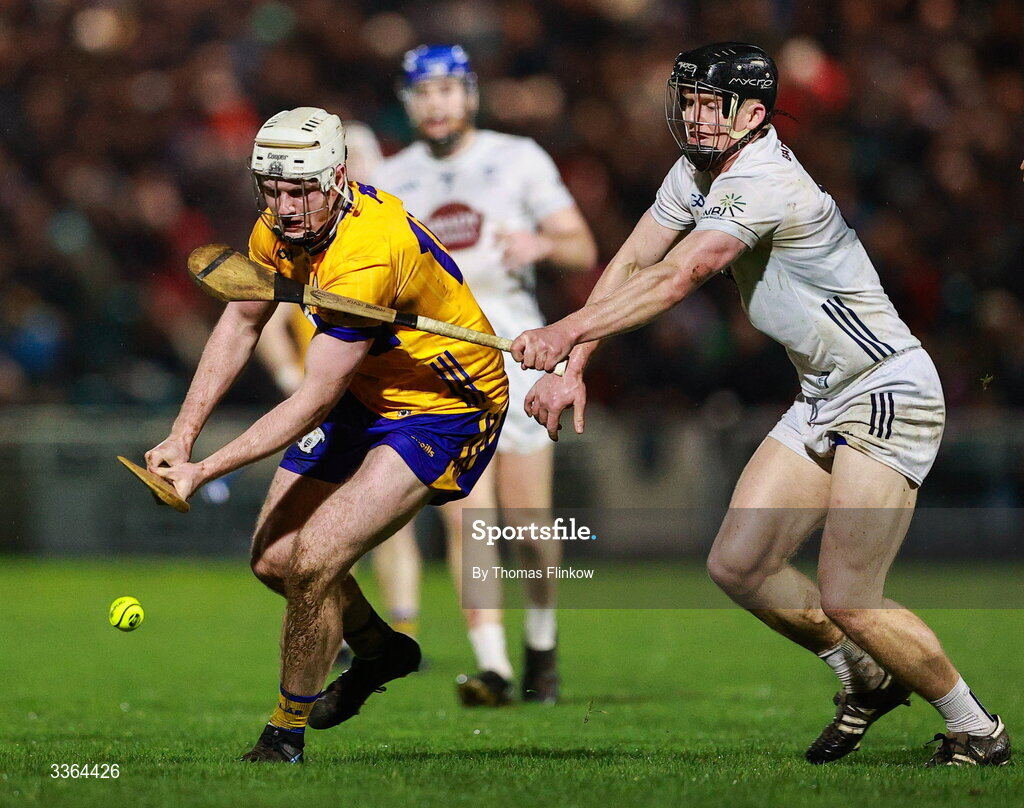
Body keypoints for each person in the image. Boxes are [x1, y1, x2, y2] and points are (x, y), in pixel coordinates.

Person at [511, 43, 1011, 767]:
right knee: (739, 564)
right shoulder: (695, 171)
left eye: (709, 104)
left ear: (751, 114)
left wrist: (562, 331)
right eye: (688, 100)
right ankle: (864, 675)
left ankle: (977, 729)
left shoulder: (765, 179)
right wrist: (573, 364)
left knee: (851, 597)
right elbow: (633, 262)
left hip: (885, 389)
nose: (694, 116)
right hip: (823, 392)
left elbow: (681, 274)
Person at [146, 107, 508, 763]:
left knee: (313, 559)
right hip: (368, 391)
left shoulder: (369, 252)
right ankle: (380, 650)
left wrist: (204, 470)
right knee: (273, 562)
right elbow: (241, 322)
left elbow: (313, 400)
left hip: (444, 406)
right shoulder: (279, 226)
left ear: (336, 179)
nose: (285, 208)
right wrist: (182, 435)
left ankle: (284, 735)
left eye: (299, 191)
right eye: (272, 190)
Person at [372, 44, 597, 706]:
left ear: (470, 95)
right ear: (407, 102)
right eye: (423, 92)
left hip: (521, 357)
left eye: (447, 89)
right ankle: (493, 667)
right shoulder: (393, 179)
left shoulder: (519, 157)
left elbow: (582, 246)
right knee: (468, 523)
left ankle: (542, 643)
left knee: (529, 525)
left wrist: (541, 244)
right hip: (443, 370)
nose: (436, 103)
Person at [255, 122, 422, 647]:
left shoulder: (382, 236)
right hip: (322, 400)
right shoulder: (296, 240)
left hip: (384, 400)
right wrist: (292, 378)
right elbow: (263, 325)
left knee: (384, 527)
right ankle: (357, 637)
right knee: (311, 532)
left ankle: (400, 628)